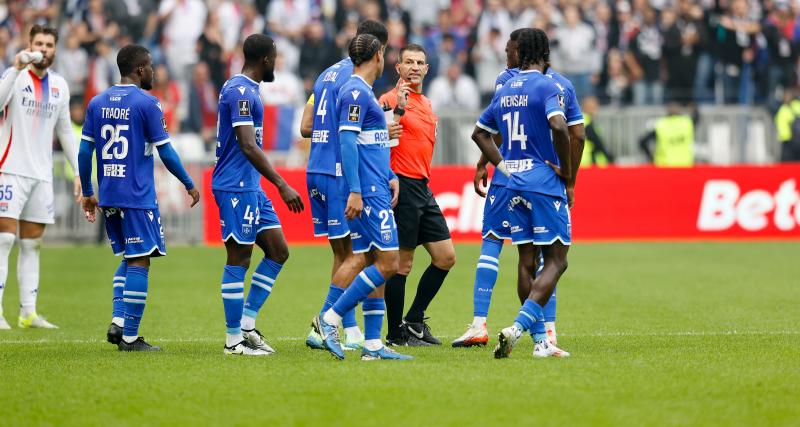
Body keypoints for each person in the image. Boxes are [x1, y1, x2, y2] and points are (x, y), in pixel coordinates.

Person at [453, 28, 583, 353]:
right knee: (556, 260)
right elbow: (561, 127)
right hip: (542, 183)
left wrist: (503, 165)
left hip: (511, 183)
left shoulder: (505, 86)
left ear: (519, 52)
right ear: (544, 52)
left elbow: (480, 133)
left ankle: (540, 342)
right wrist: (566, 173)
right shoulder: (548, 85)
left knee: (526, 259)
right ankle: (520, 327)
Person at [79, 44, 200, 351]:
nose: (154, 72)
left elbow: (84, 152)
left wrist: (89, 192)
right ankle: (130, 338)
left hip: (109, 195)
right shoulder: (148, 103)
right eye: (151, 67)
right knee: (140, 260)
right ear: (140, 70)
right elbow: (166, 151)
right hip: (136, 195)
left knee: (130, 258)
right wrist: (188, 182)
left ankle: (119, 322)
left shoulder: (97, 102)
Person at [312, 33, 412, 361]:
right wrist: (356, 190)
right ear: (378, 55)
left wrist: (389, 175)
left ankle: (371, 345)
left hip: (375, 184)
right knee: (388, 263)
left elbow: (370, 143)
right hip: (366, 192)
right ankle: (328, 320)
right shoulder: (355, 91)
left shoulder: (361, 91)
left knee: (372, 261)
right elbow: (347, 143)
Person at [212, 34, 304, 356]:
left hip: (251, 185)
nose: (276, 63)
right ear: (266, 59)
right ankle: (233, 340)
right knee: (239, 258)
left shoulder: (248, 89)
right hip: (234, 185)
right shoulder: (239, 90)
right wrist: (282, 183)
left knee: (278, 251)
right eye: (275, 57)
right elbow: (247, 144)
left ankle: (248, 327)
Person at [0, 25, 81, 330]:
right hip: (9, 170)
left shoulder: (60, 86)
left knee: (32, 245)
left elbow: (64, 133)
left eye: (49, 44)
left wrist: (78, 173)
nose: (44, 49)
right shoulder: (15, 76)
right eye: (39, 43)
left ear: (55, 49)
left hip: (41, 175)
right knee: (4, 239)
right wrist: (15, 66)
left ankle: (28, 312)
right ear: (29, 44)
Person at [378, 44, 456, 346]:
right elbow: (376, 137)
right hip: (402, 185)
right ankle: (395, 333)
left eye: (419, 62)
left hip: (423, 186)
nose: (414, 67)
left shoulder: (425, 103)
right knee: (403, 264)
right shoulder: (389, 99)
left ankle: (413, 320)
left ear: (427, 69)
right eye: (408, 62)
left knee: (446, 257)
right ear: (398, 68)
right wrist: (395, 111)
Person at [639, 103, 695, 167]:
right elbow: (697, 117)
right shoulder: (687, 123)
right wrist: (693, 107)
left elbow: (642, 141)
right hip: (685, 165)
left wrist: (651, 158)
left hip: (664, 166)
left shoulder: (661, 124)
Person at [580, 96, 614, 167]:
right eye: (592, 107)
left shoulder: (580, 120)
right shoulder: (587, 122)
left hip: (582, 162)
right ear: (585, 107)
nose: (595, 110)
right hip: (589, 161)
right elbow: (597, 142)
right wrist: (609, 157)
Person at [774, 90, 800, 162]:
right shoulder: (798, 105)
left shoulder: (783, 109)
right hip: (796, 140)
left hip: (787, 140)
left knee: (787, 167)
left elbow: (780, 124)